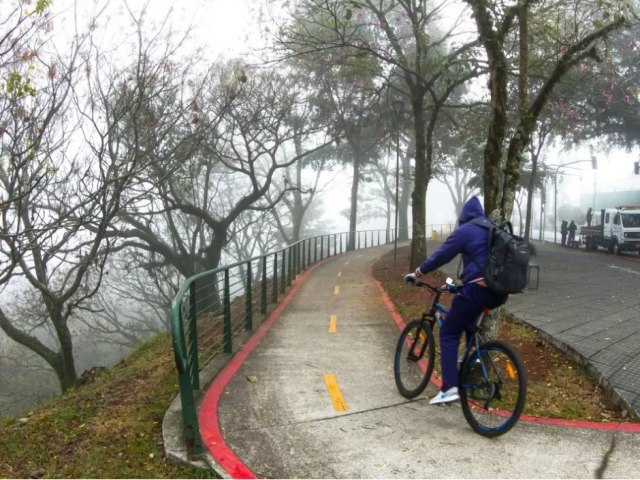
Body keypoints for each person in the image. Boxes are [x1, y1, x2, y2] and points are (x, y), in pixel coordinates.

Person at [411, 196, 508, 404]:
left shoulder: (466, 230)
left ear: (463, 217)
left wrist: (419, 272)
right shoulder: (491, 228)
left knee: (448, 332)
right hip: (498, 292)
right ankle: (473, 362)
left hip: (478, 289)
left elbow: (442, 255)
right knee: (468, 327)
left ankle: (450, 388)